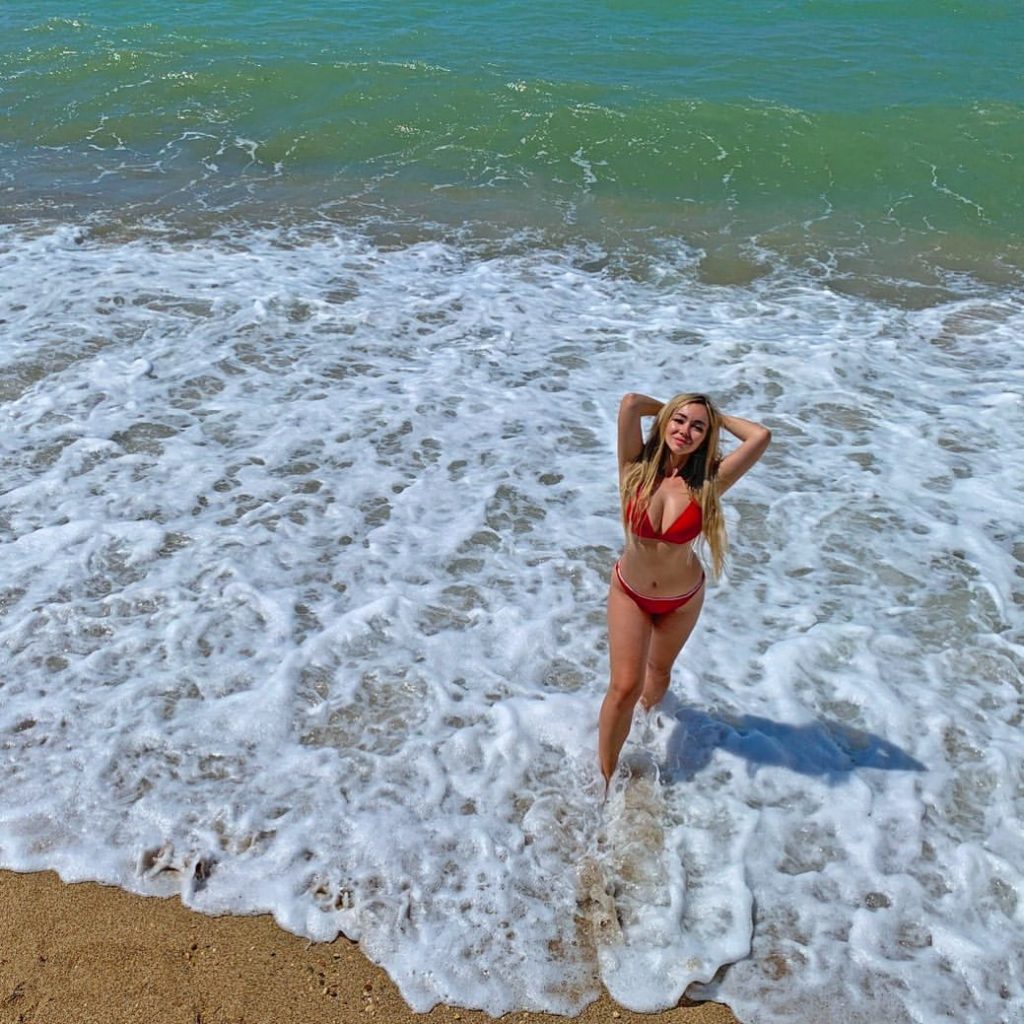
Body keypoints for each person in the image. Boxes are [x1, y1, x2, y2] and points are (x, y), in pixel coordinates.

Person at [597, 392, 770, 787]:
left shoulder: (709, 481)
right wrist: (672, 408)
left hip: (682, 600)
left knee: (658, 674)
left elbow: (760, 436)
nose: (685, 431)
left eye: (697, 428)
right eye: (679, 421)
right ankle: (604, 782)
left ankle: (645, 728)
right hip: (630, 592)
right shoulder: (634, 466)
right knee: (624, 687)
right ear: (665, 422)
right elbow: (629, 403)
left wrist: (715, 417)